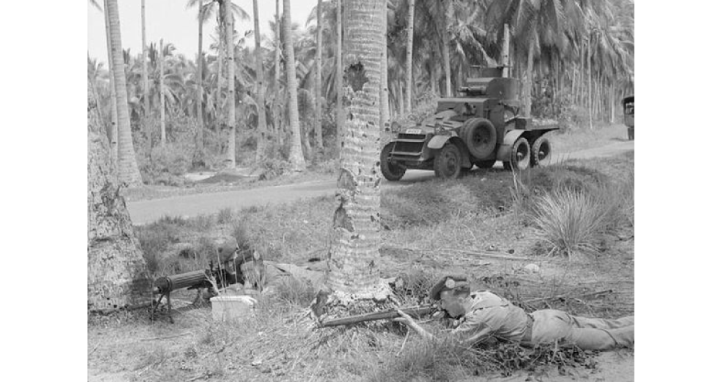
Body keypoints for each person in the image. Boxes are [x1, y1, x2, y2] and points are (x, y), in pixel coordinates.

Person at [395, 275, 635, 351]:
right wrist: (449, 315)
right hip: (547, 316)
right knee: (609, 323)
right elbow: (463, 314)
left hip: (546, 333)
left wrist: (411, 324)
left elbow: (444, 345)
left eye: (444, 302)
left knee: (612, 339)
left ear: (459, 298)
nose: (442, 307)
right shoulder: (483, 296)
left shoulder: (480, 319)